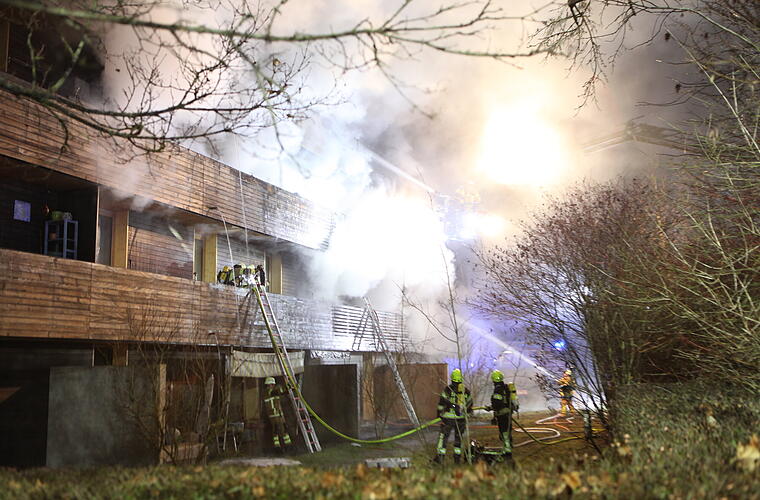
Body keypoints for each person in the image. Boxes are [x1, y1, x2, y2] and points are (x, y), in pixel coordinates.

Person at [433, 368, 473, 465]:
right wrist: (467, 414)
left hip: (448, 419)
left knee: (443, 438)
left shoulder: (448, 390)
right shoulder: (465, 391)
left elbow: (441, 403)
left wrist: (439, 415)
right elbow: (470, 404)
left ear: (452, 379)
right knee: (458, 439)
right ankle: (457, 460)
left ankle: (440, 459)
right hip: (461, 419)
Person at [486, 370, 519, 459]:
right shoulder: (506, 387)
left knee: (504, 432)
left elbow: (497, 403)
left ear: (493, 380)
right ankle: (508, 447)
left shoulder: (498, 390)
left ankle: (507, 451)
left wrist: (490, 408)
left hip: (502, 414)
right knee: (507, 431)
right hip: (508, 413)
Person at [263, 377, 292, 451]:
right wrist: (287, 387)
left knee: (284, 428)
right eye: (272, 384)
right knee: (277, 430)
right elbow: (278, 392)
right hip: (274, 415)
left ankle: (288, 445)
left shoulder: (273, 391)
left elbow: (281, 392)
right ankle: (278, 447)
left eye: (273, 384)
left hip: (279, 414)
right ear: (269, 384)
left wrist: (289, 388)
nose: (273, 386)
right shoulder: (268, 392)